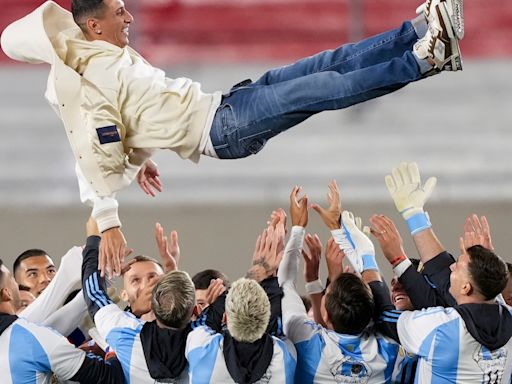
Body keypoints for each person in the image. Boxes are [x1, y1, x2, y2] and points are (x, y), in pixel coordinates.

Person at [1, 0, 464, 277]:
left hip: (227, 102)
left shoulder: (103, 50)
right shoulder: (94, 72)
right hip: (226, 127)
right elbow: (93, 148)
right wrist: (108, 220)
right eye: (118, 11)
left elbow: (130, 117)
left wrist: (139, 154)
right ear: (94, 24)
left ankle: (422, 30)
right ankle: (427, 59)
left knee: (329, 62)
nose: (130, 17)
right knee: (328, 88)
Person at [278, 184, 400, 383]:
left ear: (326, 316)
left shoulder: (305, 340)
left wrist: (298, 227)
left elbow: (285, 283)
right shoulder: (390, 348)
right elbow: (374, 279)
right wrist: (338, 229)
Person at [0, 258, 124, 383]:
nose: (45, 279)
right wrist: (112, 347)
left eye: (50, 271)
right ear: (6, 293)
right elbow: (109, 377)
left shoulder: (32, 337)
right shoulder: (33, 338)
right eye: (11, 278)